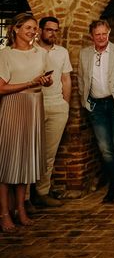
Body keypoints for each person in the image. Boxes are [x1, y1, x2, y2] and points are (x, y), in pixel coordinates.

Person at [0, 13, 52, 233]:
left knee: (25, 161)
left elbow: (46, 82)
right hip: (13, 107)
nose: (32, 32)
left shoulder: (41, 53)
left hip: (34, 106)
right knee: (7, 163)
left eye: (34, 28)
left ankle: (21, 208)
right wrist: (28, 83)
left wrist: (45, 82)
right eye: (28, 28)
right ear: (15, 29)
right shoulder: (5, 55)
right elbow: (1, 88)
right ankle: (4, 213)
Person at [78, 19, 114, 203]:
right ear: (91, 35)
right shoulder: (84, 54)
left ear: (109, 32)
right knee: (105, 148)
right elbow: (81, 79)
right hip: (96, 106)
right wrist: (85, 102)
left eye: (104, 33)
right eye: (97, 34)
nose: (101, 37)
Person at [31, 16, 72, 208]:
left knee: (49, 153)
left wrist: (65, 104)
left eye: (56, 30)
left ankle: (42, 192)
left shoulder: (62, 52)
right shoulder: (31, 51)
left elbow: (66, 79)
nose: (52, 33)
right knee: (29, 151)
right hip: (33, 105)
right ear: (40, 30)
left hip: (57, 106)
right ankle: (24, 197)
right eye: (49, 30)